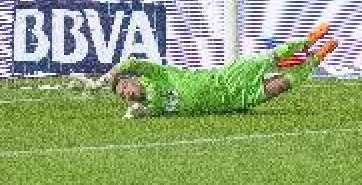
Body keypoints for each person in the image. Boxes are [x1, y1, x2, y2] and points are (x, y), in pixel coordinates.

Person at [83, 23, 339, 119]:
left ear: (133, 80)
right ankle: (317, 59)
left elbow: (132, 61)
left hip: (226, 77)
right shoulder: (152, 107)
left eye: (125, 87)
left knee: (270, 59)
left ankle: (308, 41)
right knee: (281, 85)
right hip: (230, 103)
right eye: (123, 95)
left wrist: (110, 75)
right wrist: (136, 113)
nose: (127, 94)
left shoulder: (155, 74)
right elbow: (144, 112)